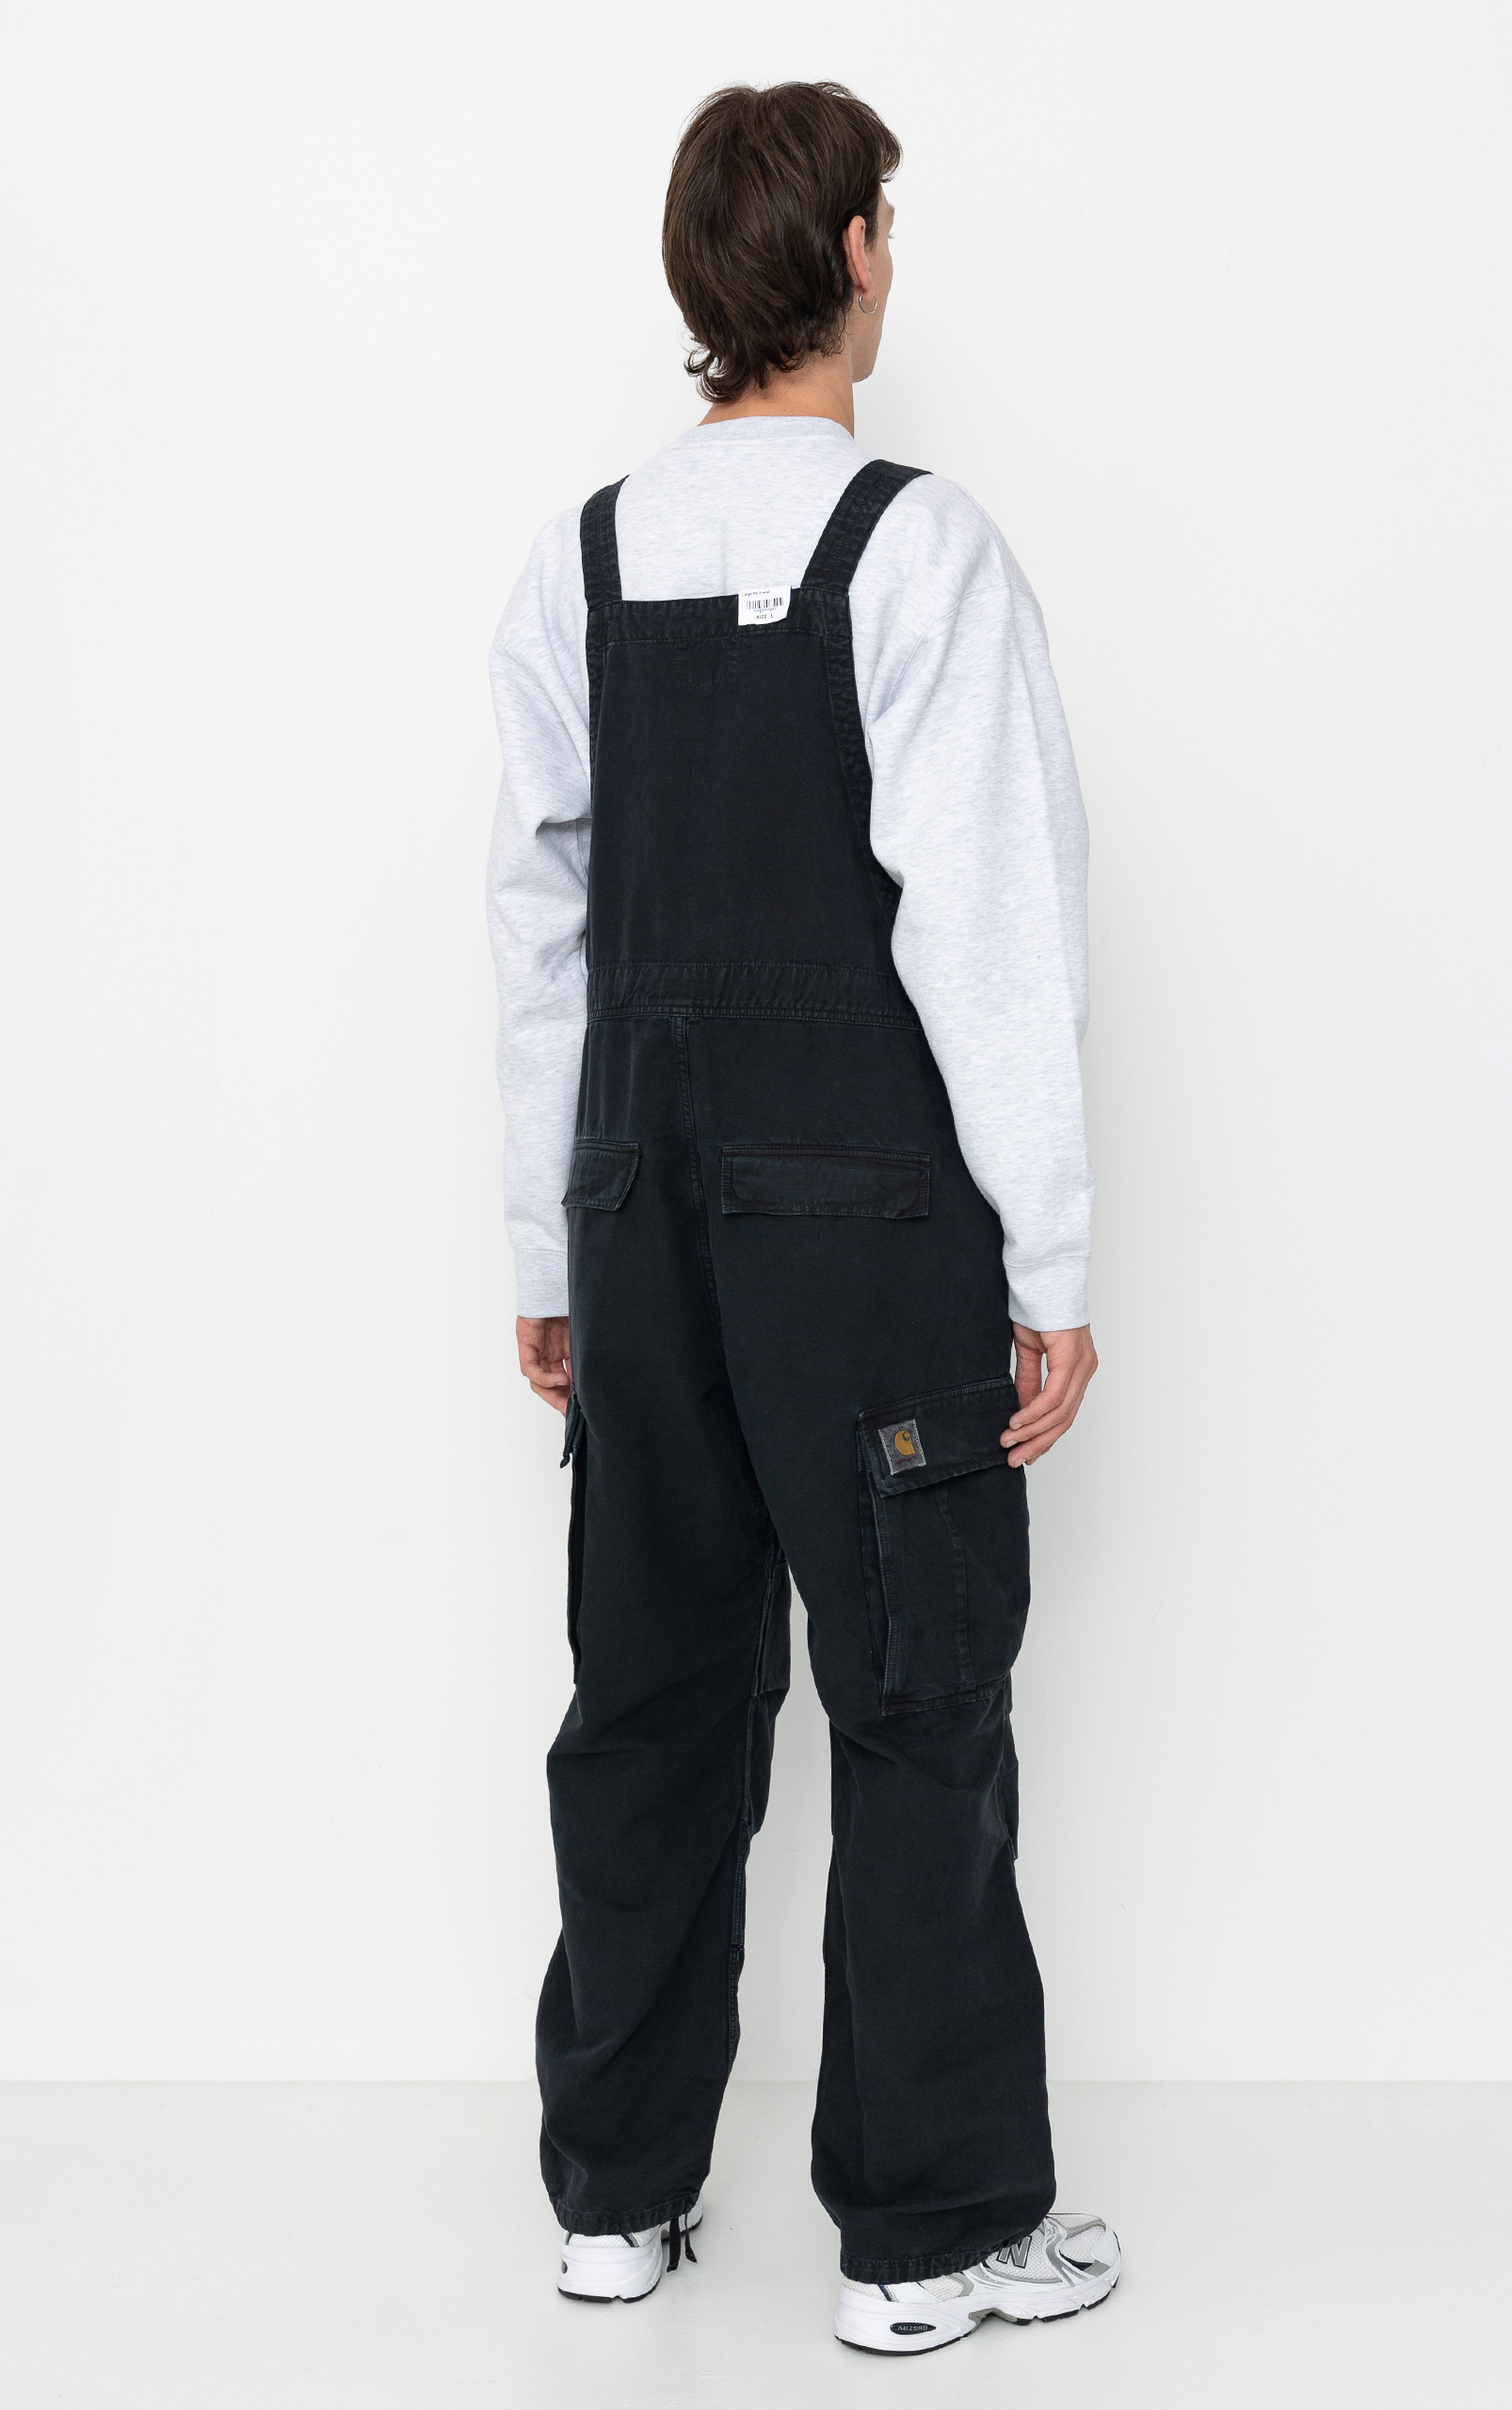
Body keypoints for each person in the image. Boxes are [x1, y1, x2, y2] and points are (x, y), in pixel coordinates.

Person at [486, 79, 1118, 2356]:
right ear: (854, 254)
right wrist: (1050, 1258)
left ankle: (615, 2196)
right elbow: (992, 930)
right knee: (917, 1691)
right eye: (887, 228)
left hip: (642, 1218)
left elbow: (537, 931)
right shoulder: (916, 549)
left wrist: (552, 1245)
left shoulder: (580, 562)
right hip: (863, 1225)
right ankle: (926, 2238)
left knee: (650, 1690)